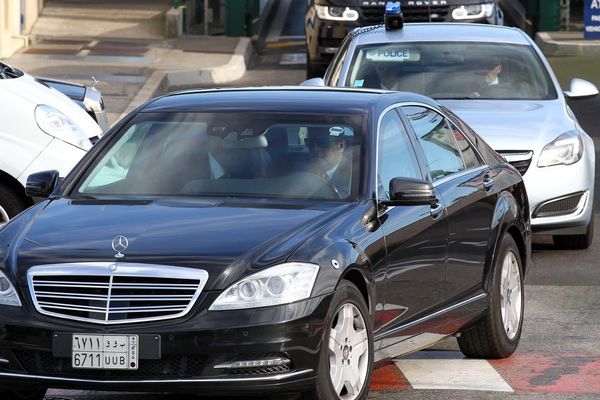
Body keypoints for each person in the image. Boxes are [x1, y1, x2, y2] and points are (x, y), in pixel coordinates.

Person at [306, 126, 353, 198]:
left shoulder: (354, 175)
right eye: (311, 143)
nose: (315, 149)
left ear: (341, 146)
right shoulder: (301, 168)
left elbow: (344, 204)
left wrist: (324, 182)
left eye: (322, 144)